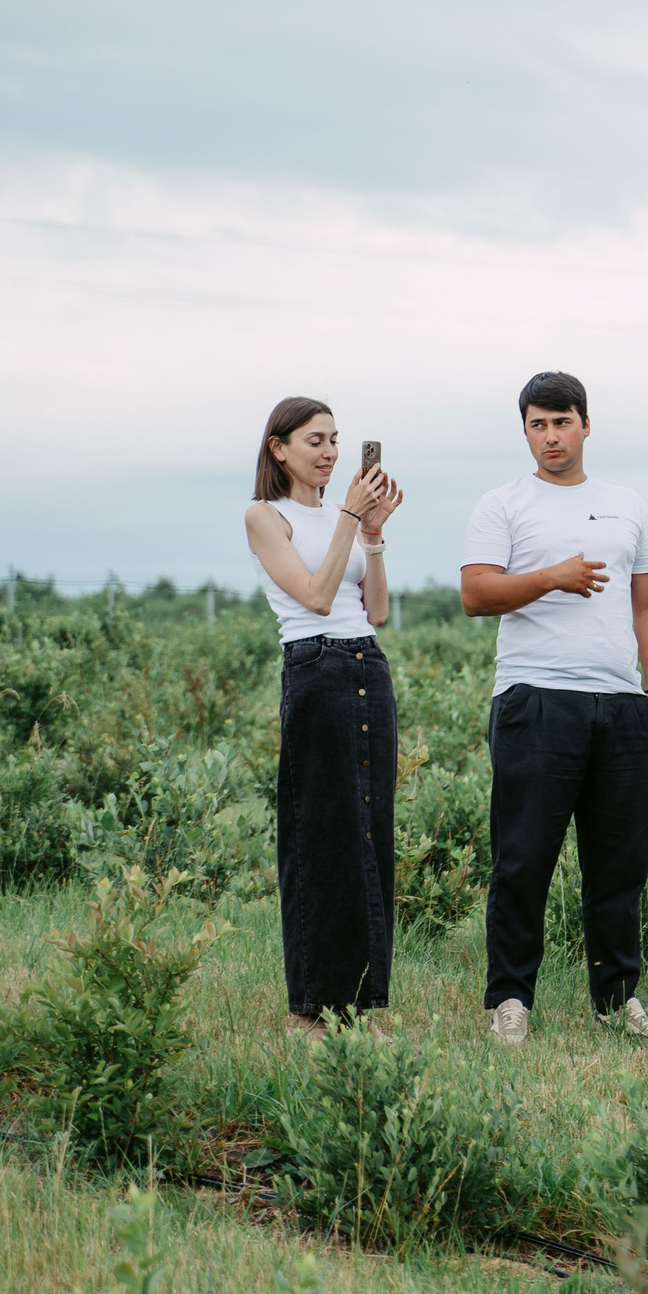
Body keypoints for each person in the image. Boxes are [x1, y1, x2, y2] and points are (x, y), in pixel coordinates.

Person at [462, 372, 648, 1047]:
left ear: (585, 424)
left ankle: (617, 1001)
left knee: (619, 864)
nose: (550, 436)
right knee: (523, 860)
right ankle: (510, 1000)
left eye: (562, 422)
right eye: (538, 424)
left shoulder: (627, 505)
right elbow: (476, 594)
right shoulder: (503, 505)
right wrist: (552, 577)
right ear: (525, 430)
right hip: (535, 698)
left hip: (621, 704)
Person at [245, 396, 404, 1030]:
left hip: (367, 665)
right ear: (279, 448)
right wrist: (348, 518)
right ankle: (309, 1009)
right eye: (315, 441)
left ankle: (361, 1005)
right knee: (319, 836)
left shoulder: (344, 518)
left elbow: (377, 611)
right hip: (315, 666)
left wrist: (373, 535)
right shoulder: (266, 516)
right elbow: (314, 597)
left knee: (370, 834)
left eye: (334, 440)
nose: (330, 452)